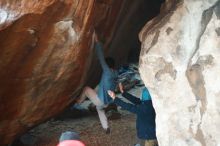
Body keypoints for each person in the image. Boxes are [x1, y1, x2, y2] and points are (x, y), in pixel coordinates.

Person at [75, 31, 118, 134]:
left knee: (86, 89)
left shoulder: (107, 71)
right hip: (107, 102)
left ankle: (78, 102)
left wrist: (97, 42)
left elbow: (101, 58)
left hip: (101, 100)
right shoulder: (116, 73)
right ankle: (106, 127)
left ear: (108, 66)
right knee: (100, 110)